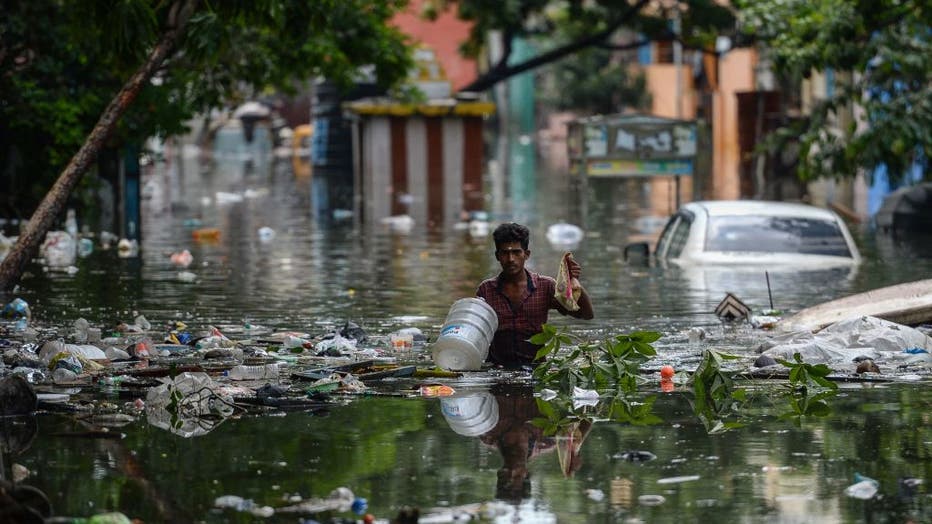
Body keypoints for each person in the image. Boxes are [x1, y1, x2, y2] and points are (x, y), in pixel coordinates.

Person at [476, 222, 594, 368]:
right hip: (498, 368)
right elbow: (475, 333)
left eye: (516, 252)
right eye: (505, 253)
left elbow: (586, 314)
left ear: (526, 255)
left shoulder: (546, 286)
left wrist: (574, 284)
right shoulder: (486, 290)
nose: (511, 259)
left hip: (536, 369)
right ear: (497, 256)